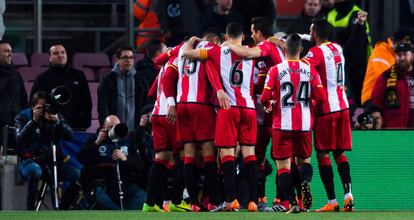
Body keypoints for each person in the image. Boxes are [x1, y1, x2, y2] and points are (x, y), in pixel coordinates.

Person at [183, 23, 258, 212]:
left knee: (227, 155)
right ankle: (254, 201)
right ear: (243, 36)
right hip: (249, 108)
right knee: (249, 154)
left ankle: (231, 200)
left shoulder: (216, 51)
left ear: (225, 36)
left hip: (228, 108)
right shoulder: (254, 51)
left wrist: (192, 41)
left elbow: (187, 54)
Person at [223, 16, 285, 210]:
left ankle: (264, 199)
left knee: (262, 156)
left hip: (271, 111)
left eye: (253, 32)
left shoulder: (266, 46)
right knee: (276, 157)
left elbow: (247, 54)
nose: (251, 35)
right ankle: (277, 200)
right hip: (281, 110)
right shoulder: (279, 47)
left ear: (259, 33)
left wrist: (227, 44)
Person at [261, 33, 326, 214]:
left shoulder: (275, 70)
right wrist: (310, 105)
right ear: (301, 50)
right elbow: (321, 98)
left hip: (282, 125)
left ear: (285, 49)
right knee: (303, 162)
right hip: (304, 125)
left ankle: (292, 203)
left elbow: (265, 98)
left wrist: (270, 105)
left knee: (283, 168)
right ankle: (305, 182)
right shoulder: (311, 70)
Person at [176, 29, 229, 212]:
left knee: (189, 155)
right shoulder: (210, 49)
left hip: (182, 104)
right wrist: (219, 90)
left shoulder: (183, 50)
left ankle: (193, 203)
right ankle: (214, 201)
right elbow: (211, 70)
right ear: (215, 39)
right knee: (209, 154)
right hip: (201, 105)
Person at [304, 18, 354, 212]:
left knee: (323, 153)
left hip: (326, 110)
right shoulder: (337, 48)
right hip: (343, 107)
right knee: (339, 153)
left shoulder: (315, 52)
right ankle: (348, 196)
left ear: (315, 33)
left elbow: (301, 66)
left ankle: (332, 201)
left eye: (311, 31)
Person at [142, 48, 190, 212]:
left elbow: (151, 92)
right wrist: (171, 104)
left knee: (161, 158)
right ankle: (177, 200)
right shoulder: (178, 60)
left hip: (157, 114)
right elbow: (170, 78)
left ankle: (149, 203)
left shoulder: (164, 66)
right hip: (170, 114)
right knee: (186, 155)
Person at [15, 91, 79, 210]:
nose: (44, 110)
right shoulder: (22, 117)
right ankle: (30, 211)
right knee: (35, 171)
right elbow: (19, 140)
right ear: (32, 107)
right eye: (40, 107)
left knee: (78, 175)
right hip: (29, 161)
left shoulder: (54, 114)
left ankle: (63, 208)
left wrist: (58, 122)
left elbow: (70, 136)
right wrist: (33, 121)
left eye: (46, 106)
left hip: (52, 162)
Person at [78, 115, 147, 210]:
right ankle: (119, 214)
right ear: (103, 128)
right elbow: (81, 158)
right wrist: (97, 143)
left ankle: (125, 213)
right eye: (110, 127)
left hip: (124, 186)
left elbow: (140, 166)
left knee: (142, 196)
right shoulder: (94, 140)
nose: (114, 130)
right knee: (98, 196)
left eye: (116, 126)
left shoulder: (127, 142)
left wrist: (125, 158)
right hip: (102, 187)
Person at [30, 44, 92, 131]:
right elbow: (33, 103)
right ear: (50, 58)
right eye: (56, 53)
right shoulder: (42, 78)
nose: (60, 55)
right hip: (49, 127)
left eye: (63, 52)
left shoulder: (79, 76)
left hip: (75, 126)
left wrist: (85, 123)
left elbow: (87, 101)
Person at [326, 0, 372, 106]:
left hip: (357, 65)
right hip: (336, 63)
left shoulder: (357, 14)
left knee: (356, 101)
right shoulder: (330, 13)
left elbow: (355, 42)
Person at [98, 46, 150, 131]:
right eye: (125, 57)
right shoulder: (107, 80)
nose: (128, 60)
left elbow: (146, 105)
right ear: (117, 60)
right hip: (114, 131)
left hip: (137, 132)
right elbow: (103, 108)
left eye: (131, 57)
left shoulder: (141, 80)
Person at [361, 30, 412, 106]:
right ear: (405, 40)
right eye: (409, 44)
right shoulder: (381, 50)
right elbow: (382, 77)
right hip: (372, 99)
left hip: (390, 98)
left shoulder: (398, 54)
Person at [371, 43, 414, 129]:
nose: (402, 58)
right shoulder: (385, 77)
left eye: (405, 55)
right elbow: (376, 103)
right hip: (394, 130)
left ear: (412, 55)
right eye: (398, 55)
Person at [0, 40, 28, 146]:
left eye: (11, 51)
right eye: (6, 51)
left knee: (14, 161)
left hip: (15, 128)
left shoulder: (16, 74)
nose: (10, 54)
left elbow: (23, 99)